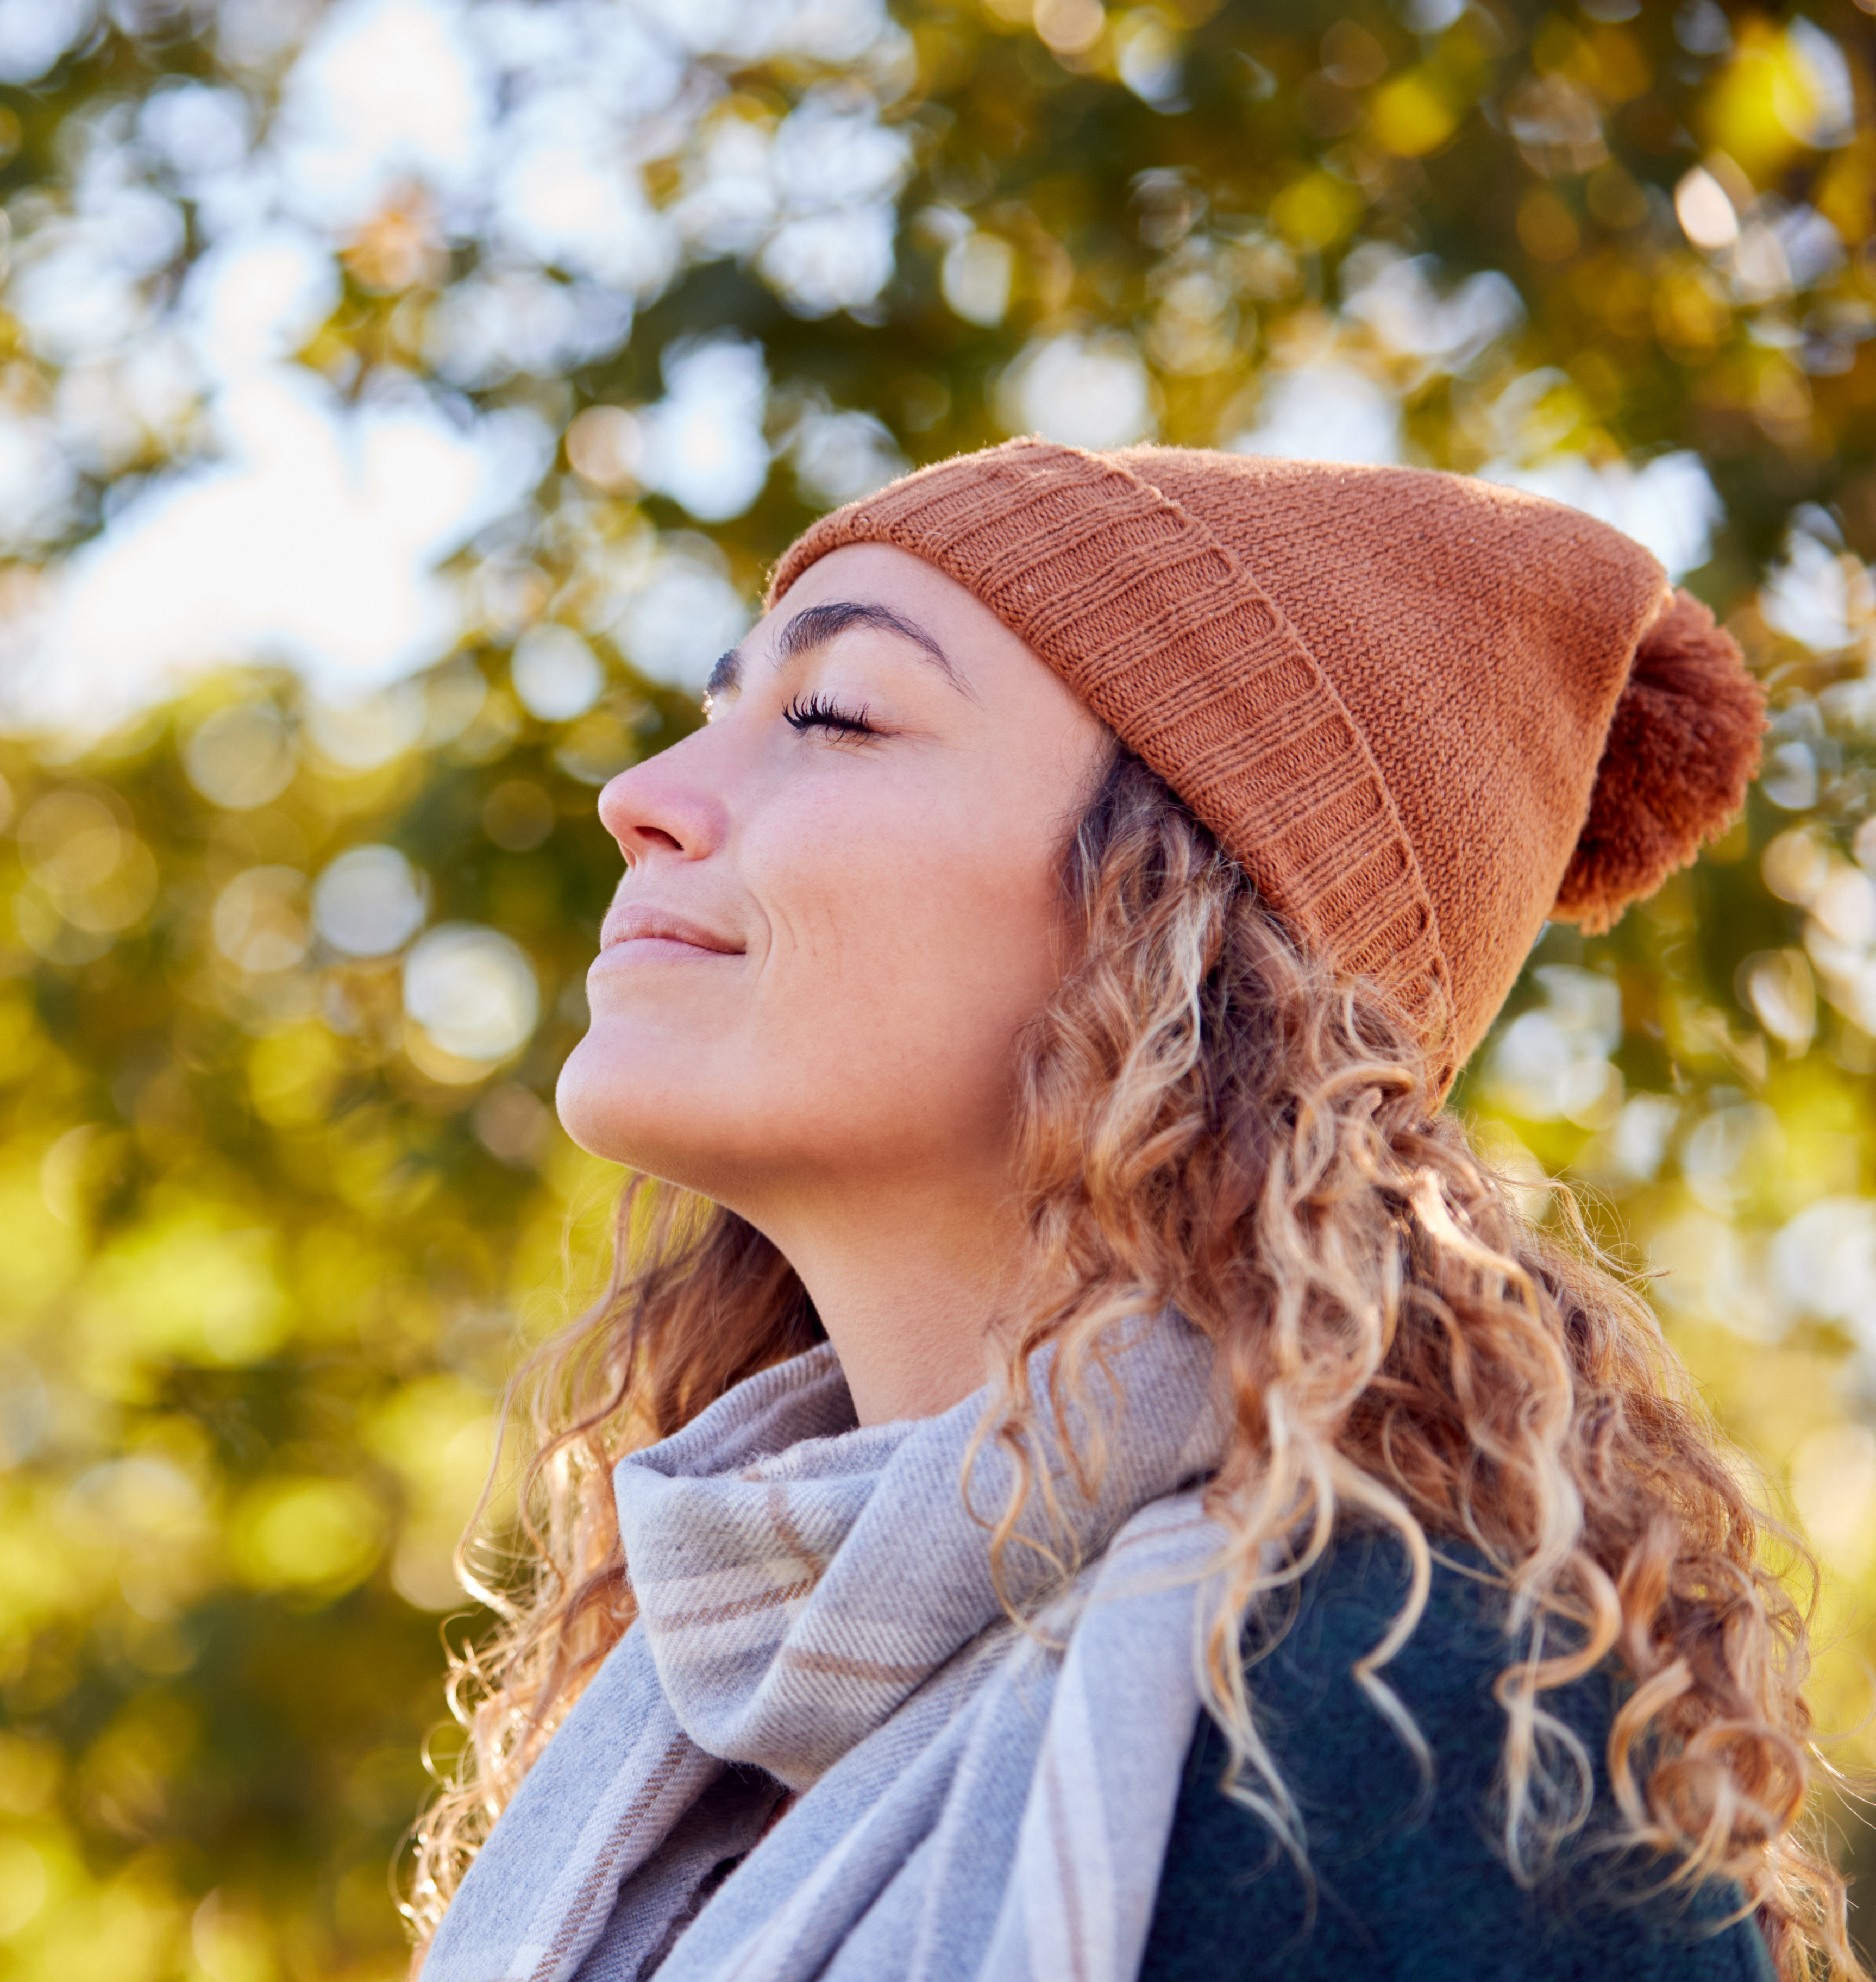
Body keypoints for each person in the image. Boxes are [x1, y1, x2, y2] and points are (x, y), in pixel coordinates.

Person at [405, 441, 1848, 1981]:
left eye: (834, 716)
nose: (642, 797)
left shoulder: (1401, 1739)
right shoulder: (690, 1748)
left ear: (1169, 928)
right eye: (717, 711)